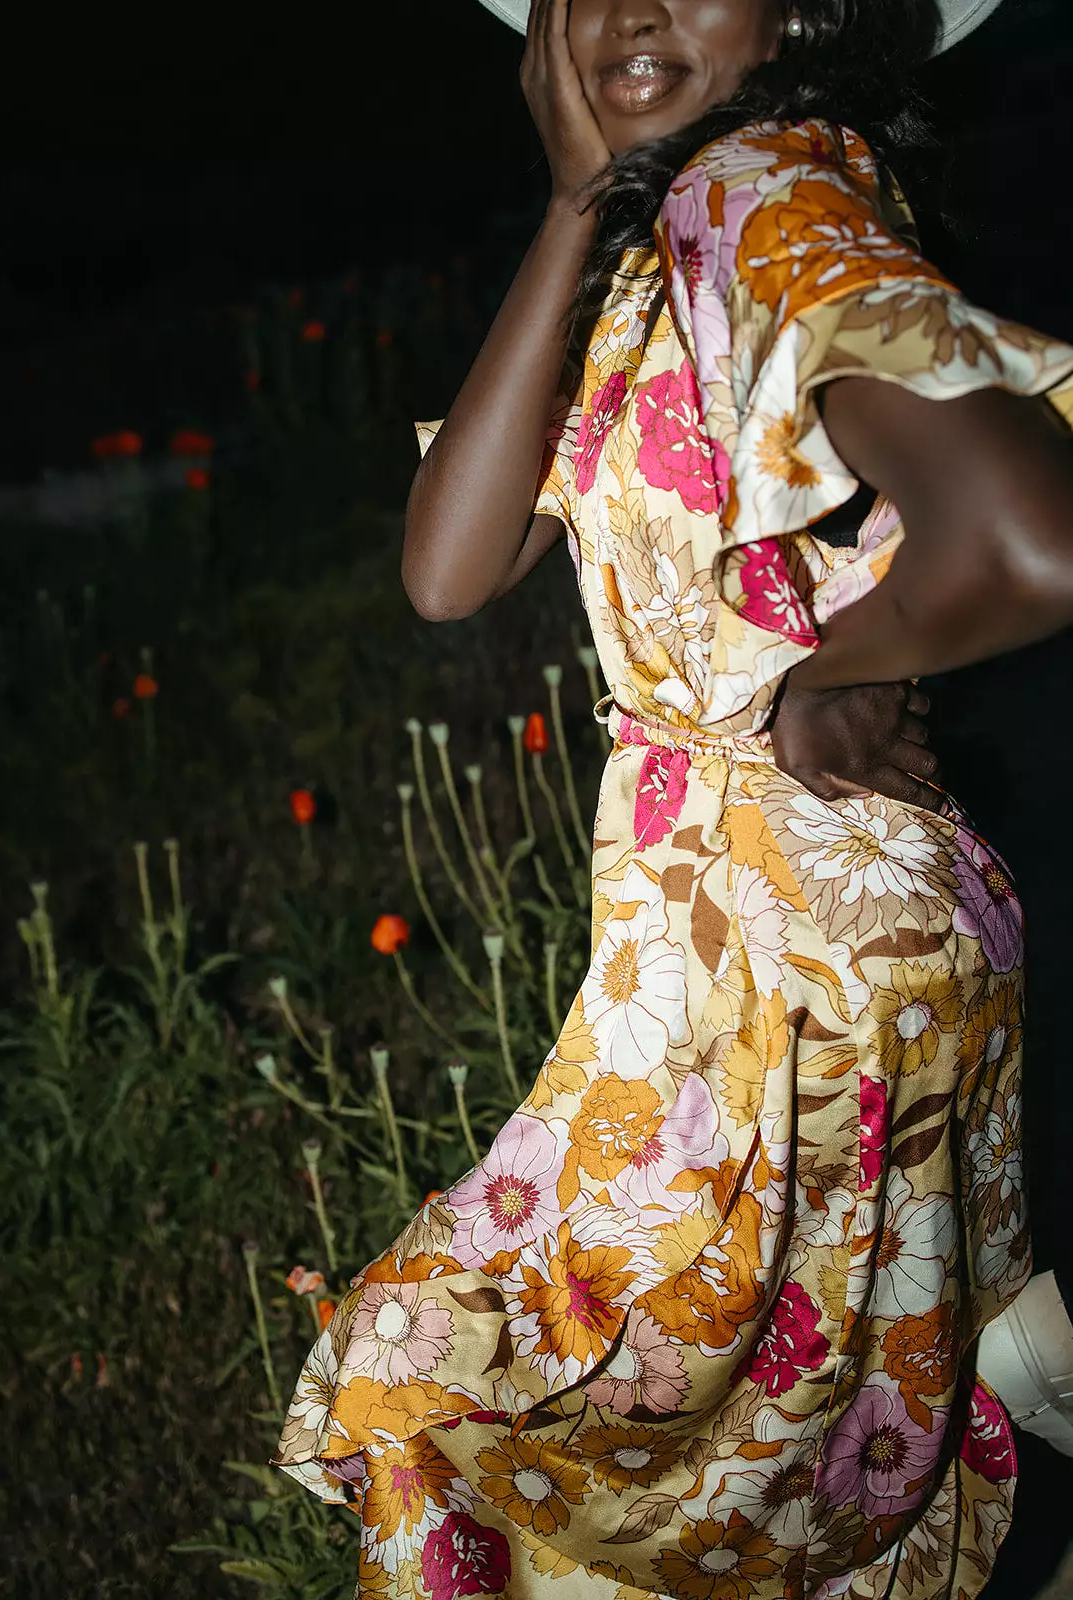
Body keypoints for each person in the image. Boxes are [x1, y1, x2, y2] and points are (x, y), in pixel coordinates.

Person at [274, 1, 1073, 1594]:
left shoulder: (762, 193)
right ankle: (1014, 1381)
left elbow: (1029, 536)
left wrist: (817, 674)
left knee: (436, 1390)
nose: (630, 4)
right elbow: (451, 566)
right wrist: (578, 203)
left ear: (809, 8)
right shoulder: (681, 220)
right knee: (798, 1498)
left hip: (793, 966)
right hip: (788, 943)